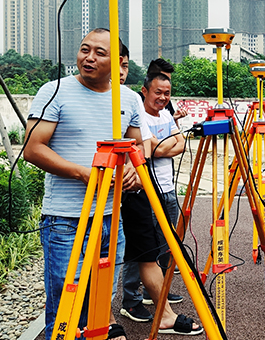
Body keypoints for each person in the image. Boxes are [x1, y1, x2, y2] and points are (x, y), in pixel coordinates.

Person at [24, 28, 144, 340]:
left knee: (100, 304)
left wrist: (132, 169)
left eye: (99, 53)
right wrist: (82, 173)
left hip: (110, 217)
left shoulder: (129, 99)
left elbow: (136, 148)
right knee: (67, 309)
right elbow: (33, 148)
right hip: (66, 220)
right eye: (84, 49)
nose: (88, 57)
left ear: (119, 62)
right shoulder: (54, 91)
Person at [119, 74, 202, 335]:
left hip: (166, 189)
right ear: (145, 90)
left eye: (167, 92)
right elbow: (149, 149)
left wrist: (163, 146)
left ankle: (158, 293)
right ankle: (132, 299)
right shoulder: (136, 112)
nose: (163, 97)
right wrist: (163, 146)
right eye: (158, 92)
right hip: (142, 188)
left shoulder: (166, 115)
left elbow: (176, 145)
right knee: (139, 248)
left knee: (159, 245)